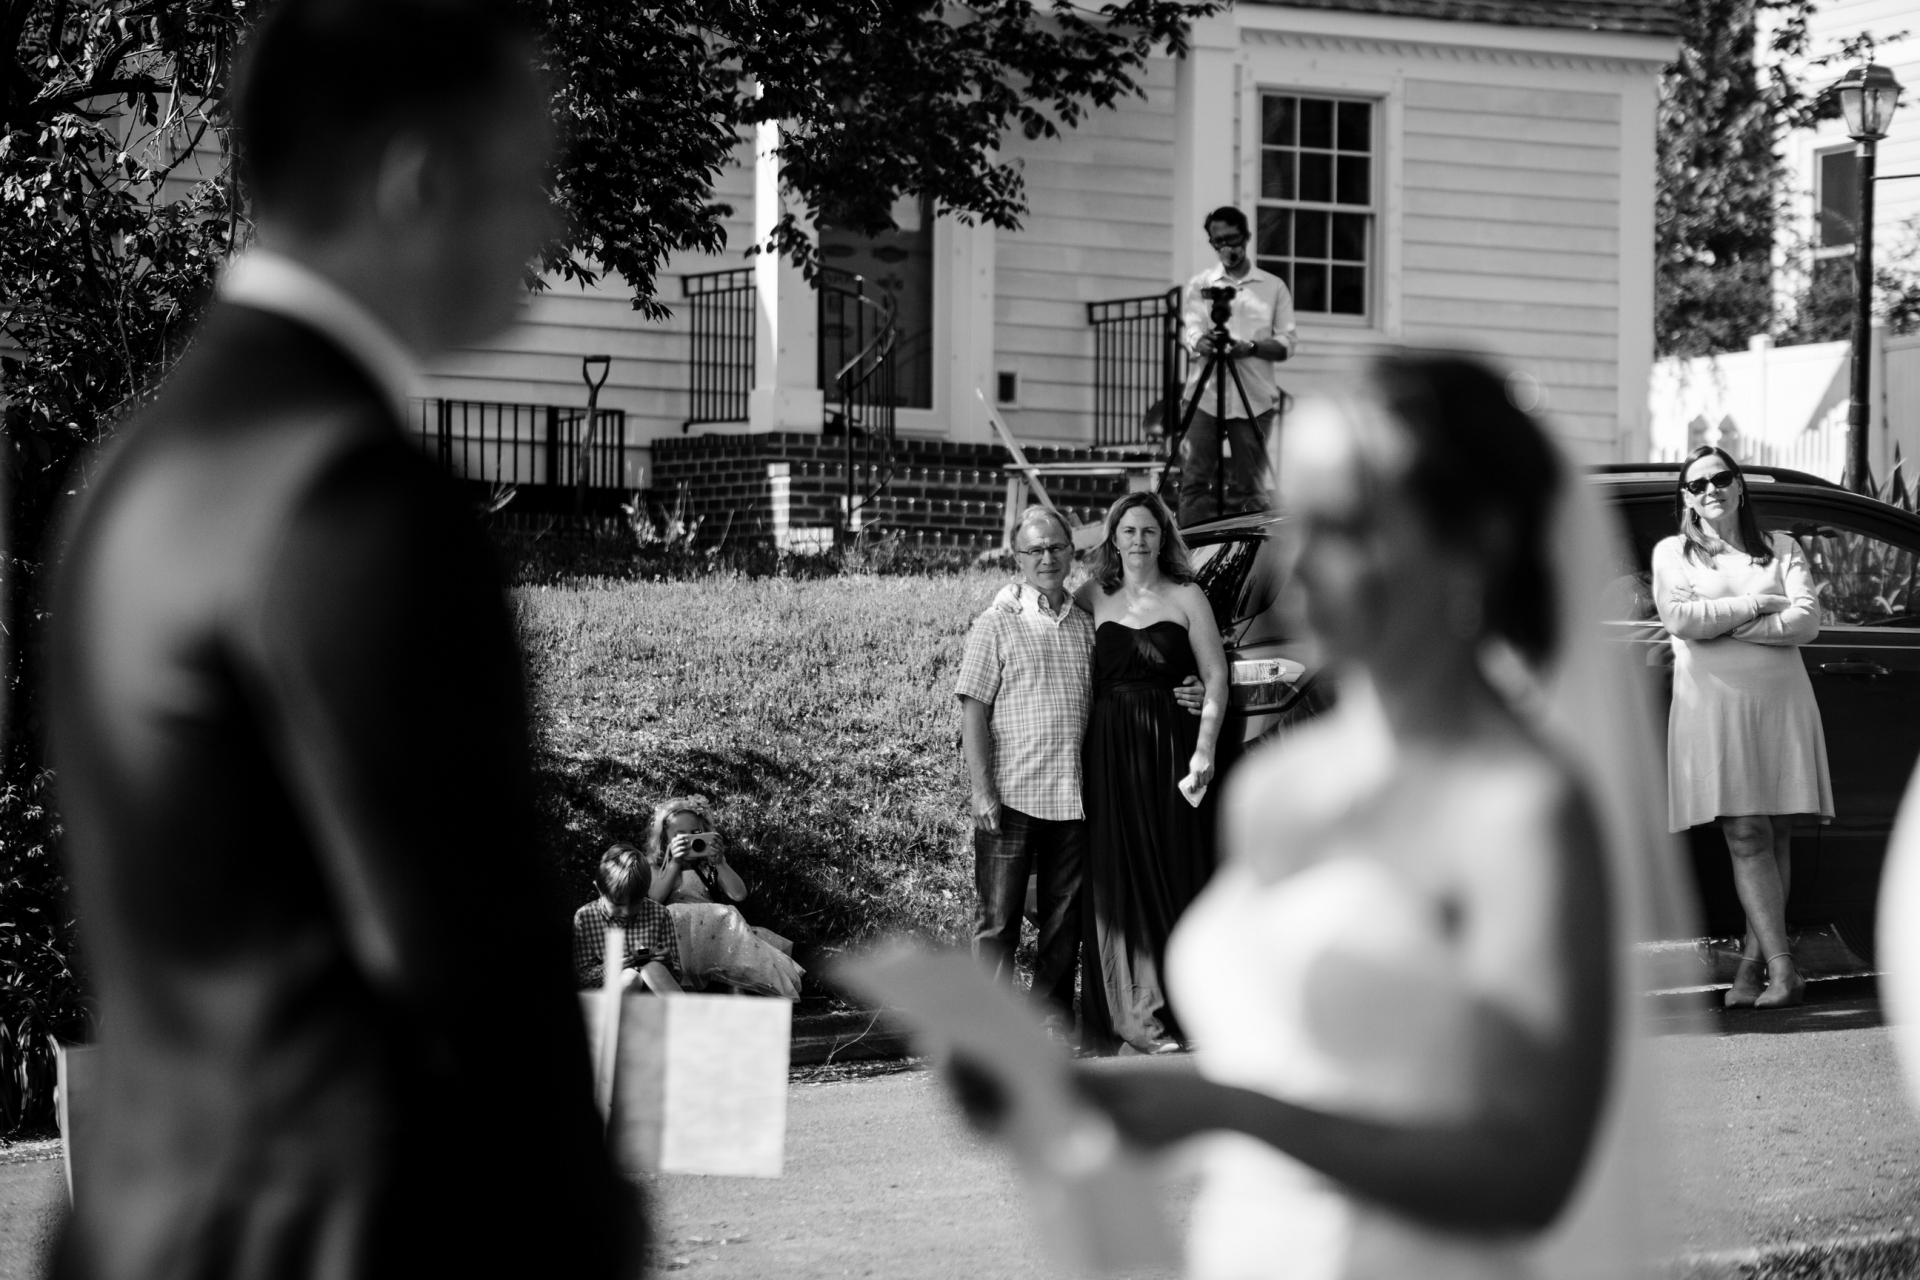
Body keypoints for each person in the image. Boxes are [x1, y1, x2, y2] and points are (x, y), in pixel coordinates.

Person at [45, 1, 638, 1276]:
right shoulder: (360, 504)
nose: (553, 226)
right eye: (528, 181)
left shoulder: (137, 471)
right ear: (418, 181)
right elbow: (468, 976)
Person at [1073, 355, 1689, 1279]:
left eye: (1347, 524)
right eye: (1298, 521)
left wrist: (1225, 1117)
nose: (1300, 562)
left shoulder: (1521, 811)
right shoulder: (1280, 789)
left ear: (1469, 544)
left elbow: (1530, 1169)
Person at [1655, 446, 1831, 1009]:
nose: (1710, 490)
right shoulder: (1673, 554)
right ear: (1685, 498)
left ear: (1739, 487)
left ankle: (1756, 969)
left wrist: (1729, 629)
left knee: (1775, 831)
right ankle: (1785, 970)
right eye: (1696, 484)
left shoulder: (1782, 547)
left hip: (1779, 701)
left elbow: (1807, 620)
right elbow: (1681, 619)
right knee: (1747, 831)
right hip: (1712, 706)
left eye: (1720, 478)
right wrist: (1757, 604)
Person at [1077, 491, 1228, 1055]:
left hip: (1172, 748)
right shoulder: (1094, 595)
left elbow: (1214, 676)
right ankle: (1132, 1015)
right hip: (1110, 752)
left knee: (1173, 871)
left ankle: (1185, 1006)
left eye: (1149, 531)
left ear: (1164, 538)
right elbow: (1046, 618)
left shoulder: (1188, 595)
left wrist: (1204, 749)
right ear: (1113, 538)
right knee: (1118, 874)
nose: (1138, 540)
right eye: (1128, 530)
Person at [957, 507, 1098, 1032]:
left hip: (1072, 799)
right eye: (1035, 550)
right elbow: (973, 708)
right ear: (1017, 558)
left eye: (1056, 546)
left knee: (1063, 925)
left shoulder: (1087, 626)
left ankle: (1051, 1024)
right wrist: (981, 790)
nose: (1047, 557)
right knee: (997, 922)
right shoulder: (997, 623)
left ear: (1071, 552)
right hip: (1011, 797)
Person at [1175, 205, 1296, 528]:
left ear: (1246, 236)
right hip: (1205, 399)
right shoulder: (1201, 285)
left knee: (1252, 488)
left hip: (1253, 398)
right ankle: (1189, 557)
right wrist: (1200, 342)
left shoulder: (1272, 287)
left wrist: (1251, 347)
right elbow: (1191, 331)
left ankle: (1252, 561)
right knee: (1194, 483)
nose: (1225, 247)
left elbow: (1287, 343)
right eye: (1217, 242)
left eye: (1230, 238)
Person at [645, 797, 805, 999]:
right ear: (665, 839)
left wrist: (720, 863)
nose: (688, 840)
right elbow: (655, 898)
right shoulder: (657, 868)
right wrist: (675, 863)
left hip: (715, 932)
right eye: (680, 835)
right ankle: (686, 992)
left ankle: (734, 988)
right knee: (674, 914)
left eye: (695, 834)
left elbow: (738, 894)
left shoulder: (708, 866)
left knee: (728, 914)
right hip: (679, 931)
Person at [574, 843, 685, 994]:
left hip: (654, 995)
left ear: (646, 893)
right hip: (612, 997)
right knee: (629, 977)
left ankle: (687, 1015)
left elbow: (677, 975)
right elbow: (580, 978)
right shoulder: (585, 918)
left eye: (636, 903)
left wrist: (667, 963)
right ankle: (605, 1018)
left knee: (653, 968)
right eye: (618, 904)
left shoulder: (660, 914)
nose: (626, 912)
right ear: (600, 890)